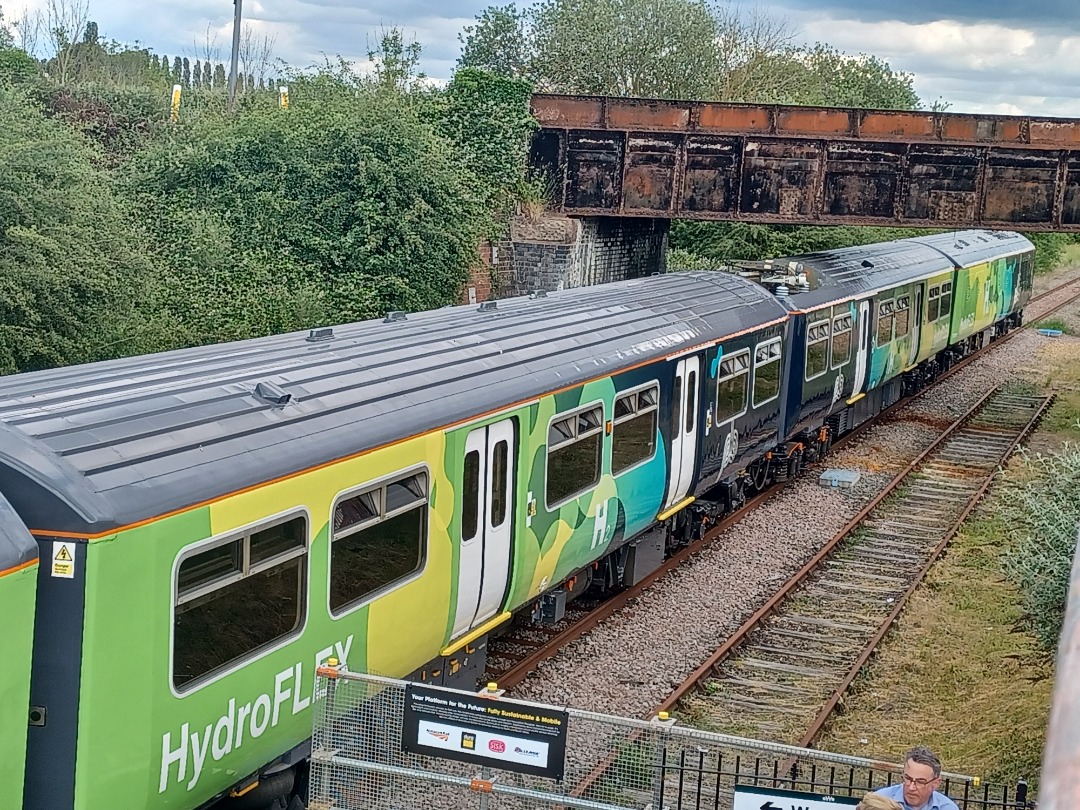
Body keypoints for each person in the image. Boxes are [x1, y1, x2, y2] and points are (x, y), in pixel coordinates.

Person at [876, 746, 960, 810]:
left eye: (920, 782)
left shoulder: (948, 807)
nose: (911, 787)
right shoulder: (878, 801)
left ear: (936, 783)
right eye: (908, 778)